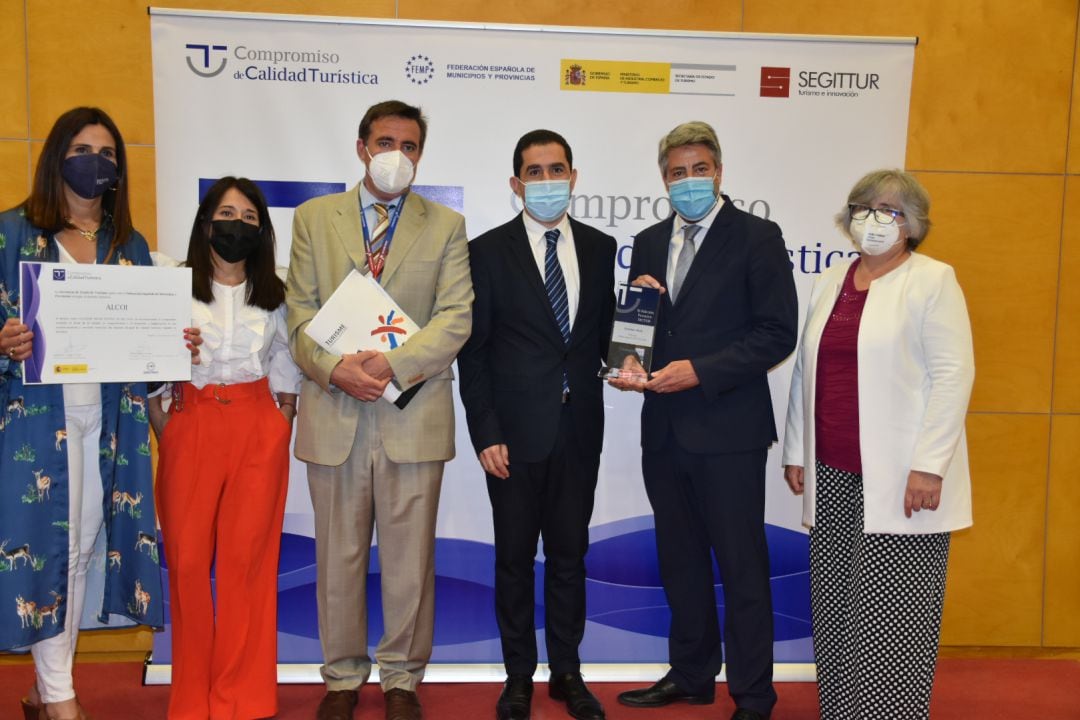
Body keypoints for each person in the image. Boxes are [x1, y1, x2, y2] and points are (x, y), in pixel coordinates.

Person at [0, 107, 193, 720]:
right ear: (58, 154)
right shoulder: (9, 234)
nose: (98, 162)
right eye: (84, 148)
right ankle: (61, 698)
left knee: (81, 548)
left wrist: (170, 345)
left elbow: (144, 356)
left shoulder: (128, 244)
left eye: (109, 153)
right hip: (35, 422)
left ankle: (42, 689)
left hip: (110, 423)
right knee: (48, 546)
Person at [286, 100, 472, 720]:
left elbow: (455, 318)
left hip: (411, 415)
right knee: (336, 556)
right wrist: (335, 368)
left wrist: (389, 367)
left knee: (409, 559)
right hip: (334, 407)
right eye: (386, 140)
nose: (398, 154)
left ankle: (401, 680)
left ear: (421, 153)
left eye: (411, 145)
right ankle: (341, 678)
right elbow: (299, 311)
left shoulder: (446, 225)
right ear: (363, 146)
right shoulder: (316, 217)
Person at [609, 121, 798, 720]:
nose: (688, 181)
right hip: (663, 428)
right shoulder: (646, 240)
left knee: (742, 565)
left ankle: (753, 694)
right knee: (680, 559)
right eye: (676, 172)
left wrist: (701, 370)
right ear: (663, 178)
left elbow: (777, 333)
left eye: (699, 169)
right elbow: (637, 333)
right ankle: (691, 674)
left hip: (729, 429)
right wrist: (628, 359)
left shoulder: (757, 237)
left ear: (719, 171)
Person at [781, 169, 974, 720]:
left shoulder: (932, 280)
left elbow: (953, 375)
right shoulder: (830, 280)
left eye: (889, 210)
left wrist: (929, 467)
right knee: (837, 608)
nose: (874, 218)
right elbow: (804, 373)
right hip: (833, 471)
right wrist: (797, 451)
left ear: (912, 223)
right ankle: (840, 711)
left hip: (901, 482)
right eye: (864, 206)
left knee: (894, 615)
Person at [458, 130, 616, 720]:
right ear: (515, 183)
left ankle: (567, 673)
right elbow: (472, 356)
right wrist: (485, 432)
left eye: (556, 169)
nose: (546, 181)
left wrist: (641, 329)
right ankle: (518, 676)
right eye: (534, 171)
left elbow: (606, 342)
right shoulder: (486, 251)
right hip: (512, 440)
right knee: (514, 560)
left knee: (571, 557)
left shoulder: (602, 250)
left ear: (574, 177)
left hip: (580, 433)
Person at [149, 177, 301, 720]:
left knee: (247, 567)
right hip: (190, 424)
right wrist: (163, 420)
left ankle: (243, 699)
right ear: (206, 222)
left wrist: (281, 422)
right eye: (226, 213)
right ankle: (192, 700)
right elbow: (146, 364)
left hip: (259, 426)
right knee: (188, 565)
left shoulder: (279, 292)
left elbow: (287, 367)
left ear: (261, 231)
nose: (237, 225)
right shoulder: (169, 283)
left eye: (250, 218)